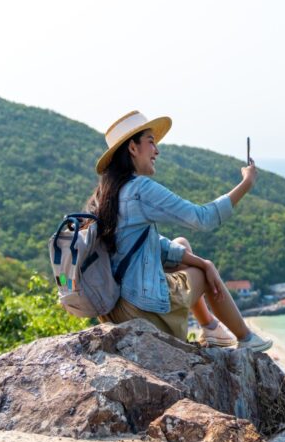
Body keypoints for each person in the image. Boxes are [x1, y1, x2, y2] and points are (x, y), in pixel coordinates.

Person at [88, 110, 272, 352]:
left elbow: (152, 244)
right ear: (133, 148)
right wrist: (246, 183)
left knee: (182, 244)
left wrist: (202, 261)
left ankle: (211, 328)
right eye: (151, 142)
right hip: (141, 311)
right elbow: (203, 218)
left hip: (115, 309)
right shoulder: (139, 189)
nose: (157, 151)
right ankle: (247, 340)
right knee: (206, 276)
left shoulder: (106, 195)